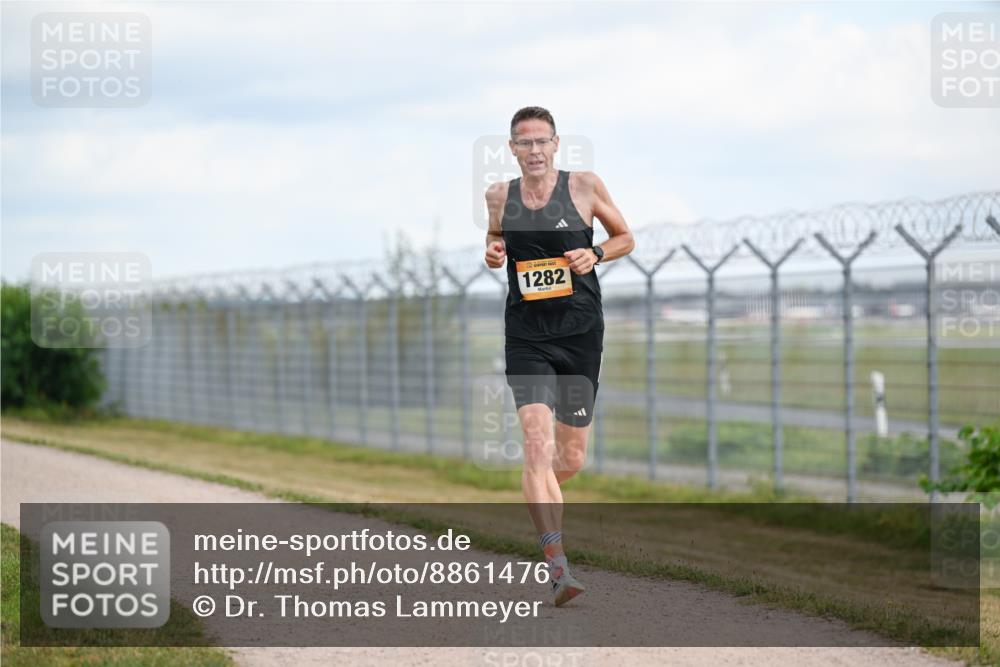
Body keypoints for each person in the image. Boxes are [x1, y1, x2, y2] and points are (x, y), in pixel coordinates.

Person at [484, 106, 635, 606]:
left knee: (568, 458)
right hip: (526, 335)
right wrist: (492, 250)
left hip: (579, 335)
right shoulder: (498, 196)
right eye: (523, 143)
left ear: (555, 144)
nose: (533, 151)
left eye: (541, 142)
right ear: (511, 148)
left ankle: (537, 490)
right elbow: (496, 236)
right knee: (534, 442)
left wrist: (597, 254)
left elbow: (625, 237)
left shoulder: (586, 186)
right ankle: (557, 566)